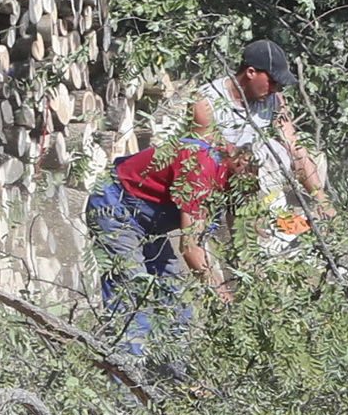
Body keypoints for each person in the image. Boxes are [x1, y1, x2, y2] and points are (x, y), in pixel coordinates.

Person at [86, 137, 236, 366]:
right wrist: (222, 294)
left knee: (176, 303)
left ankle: (170, 378)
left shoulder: (240, 179)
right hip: (116, 207)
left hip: (149, 222)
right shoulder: (202, 166)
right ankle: (127, 380)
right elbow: (190, 247)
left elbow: (241, 235)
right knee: (132, 299)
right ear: (238, 159)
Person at [187, 39, 327, 253]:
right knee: (257, 156)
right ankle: (246, 241)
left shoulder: (275, 101)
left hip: (254, 180)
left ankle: (286, 230)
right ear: (251, 72)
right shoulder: (205, 101)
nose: (275, 89)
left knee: (305, 156)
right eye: (272, 82)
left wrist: (322, 200)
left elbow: (294, 146)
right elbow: (203, 159)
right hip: (218, 177)